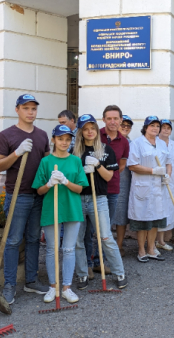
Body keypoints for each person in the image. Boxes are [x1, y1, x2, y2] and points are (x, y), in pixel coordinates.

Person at [0, 94, 50, 305]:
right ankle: (9, 285)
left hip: (38, 194)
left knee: (34, 238)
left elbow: (46, 162)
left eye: (33, 108)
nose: (30, 112)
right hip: (17, 195)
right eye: (26, 108)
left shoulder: (42, 135)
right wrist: (16, 153)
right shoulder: (6, 135)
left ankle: (31, 280)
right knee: (14, 240)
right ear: (17, 109)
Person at [32, 125, 88, 304]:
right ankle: (53, 286)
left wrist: (65, 181)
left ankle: (66, 287)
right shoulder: (46, 162)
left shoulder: (76, 161)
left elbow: (79, 188)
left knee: (69, 249)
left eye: (67, 139)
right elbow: (39, 191)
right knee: (51, 249)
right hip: (52, 208)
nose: (64, 142)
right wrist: (49, 184)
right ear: (53, 140)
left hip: (72, 208)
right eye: (60, 138)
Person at [72, 114, 127, 291]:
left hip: (99, 199)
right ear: (80, 131)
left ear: (96, 130)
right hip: (78, 199)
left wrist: (97, 165)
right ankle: (81, 274)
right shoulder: (74, 152)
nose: (90, 132)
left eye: (92, 128)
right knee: (79, 239)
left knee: (105, 236)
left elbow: (109, 176)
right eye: (86, 129)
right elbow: (71, 176)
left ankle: (119, 272)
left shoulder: (105, 150)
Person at [127, 116, 173, 262]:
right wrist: (153, 171)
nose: (155, 128)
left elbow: (169, 162)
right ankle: (141, 250)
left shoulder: (161, 144)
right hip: (143, 188)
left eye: (157, 126)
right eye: (152, 125)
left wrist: (167, 176)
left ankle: (151, 248)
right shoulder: (137, 143)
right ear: (146, 127)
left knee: (154, 220)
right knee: (143, 221)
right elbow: (132, 165)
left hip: (159, 188)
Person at [58, 109, 94, 272]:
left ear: (73, 121)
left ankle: (89, 263)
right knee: (75, 237)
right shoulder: (72, 147)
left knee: (88, 234)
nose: (62, 126)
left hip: (90, 194)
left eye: (64, 123)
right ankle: (79, 270)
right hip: (73, 195)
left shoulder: (89, 143)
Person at [100, 106, 130, 255]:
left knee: (108, 226)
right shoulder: (95, 135)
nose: (112, 122)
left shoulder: (124, 142)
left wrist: (109, 174)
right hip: (95, 188)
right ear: (103, 119)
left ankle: (103, 260)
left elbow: (122, 166)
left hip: (112, 188)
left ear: (120, 120)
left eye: (116, 118)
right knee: (91, 227)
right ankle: (91, 260)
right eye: (109, 118)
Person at [156, 119, 174, 251]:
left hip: (171, 180)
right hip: (158, 181)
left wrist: (170, 176)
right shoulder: (155, 143)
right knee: (157, 210)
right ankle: (152, 242)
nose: (165, 130)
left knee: (168, 210)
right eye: (163, 127)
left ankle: (161, 241)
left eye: (168, 128)